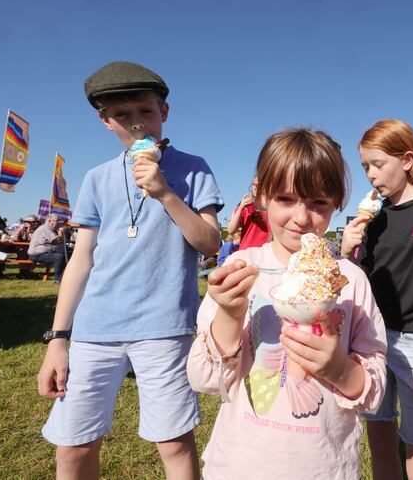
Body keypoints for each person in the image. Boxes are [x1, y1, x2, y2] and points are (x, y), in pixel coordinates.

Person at [36, 61, 223, 478]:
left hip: (164, 326)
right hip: (95, 328)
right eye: (123, 115)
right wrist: (58, 339)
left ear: (165, 113)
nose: (137, 125)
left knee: (174, 442)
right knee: (73, 446)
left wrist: (165, 193)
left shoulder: (193, 168)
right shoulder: (96, 178)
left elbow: (210, 245)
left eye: (146, 111)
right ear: (105, 121)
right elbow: (82, 260)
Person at [187, 128, 386, 479]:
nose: (301, 217)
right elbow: (203, 379)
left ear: (337, 202)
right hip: (240, 463)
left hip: (323, 466)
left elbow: (374, 395)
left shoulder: (350, 281)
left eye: (318, 202)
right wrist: (231, 315)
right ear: (262, 195)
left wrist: (337, 367)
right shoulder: (240, 269)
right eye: (285, 198)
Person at [341, 119, 413, 480]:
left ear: (407, 160)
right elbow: (353, 284)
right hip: (372, 341)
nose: (371, 175)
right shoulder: (370, 222)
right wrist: (346, 252)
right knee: (379, 435)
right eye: (365, 167)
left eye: (378, 164)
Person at [226, 177, 270, 249]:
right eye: (254, 184)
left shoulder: (274, 205)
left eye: (259, 184)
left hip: (267, 253)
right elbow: (231, 230)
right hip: (246, 253)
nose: (255, 187)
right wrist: (240, 208)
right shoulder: (244, 205)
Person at [28, 214, 68, 284]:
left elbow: (60, 242)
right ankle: (58, 279)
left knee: (62, 255)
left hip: (43, 253)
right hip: (36, 254)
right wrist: (60, 234)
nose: (59, 223)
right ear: (50, 221)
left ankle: (63, 277)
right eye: (57, 221)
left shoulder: (49, 229)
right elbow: (56, 242)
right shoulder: (45, 228)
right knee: (59, 257)